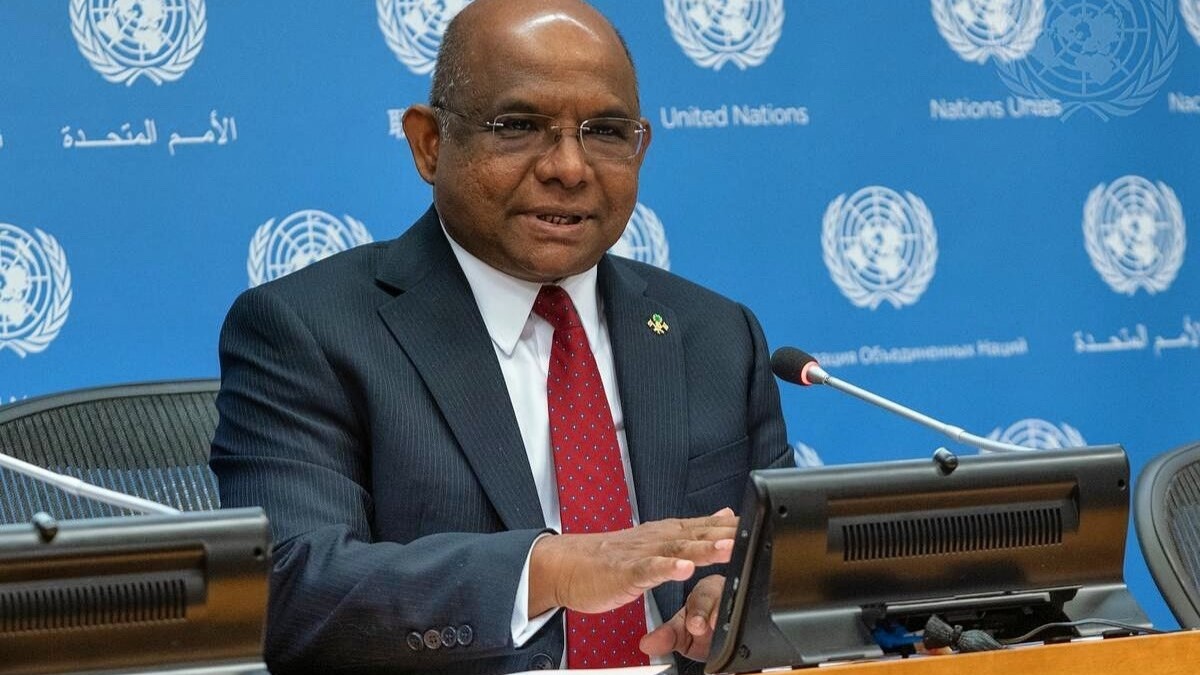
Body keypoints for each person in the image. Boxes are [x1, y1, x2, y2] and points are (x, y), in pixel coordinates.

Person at [210, 1, 792, 672]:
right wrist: (550, 570)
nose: (569, 167)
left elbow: (782, 569)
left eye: (605, 132)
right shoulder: (308, 330)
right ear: (429, 144)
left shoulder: (716, 334)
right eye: (518, 126)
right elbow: (291, 592)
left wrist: (740, 603)